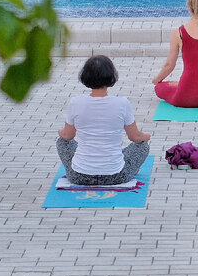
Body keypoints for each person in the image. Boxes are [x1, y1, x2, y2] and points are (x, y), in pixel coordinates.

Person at [57, 55, 151, 186]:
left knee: (62, 142)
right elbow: (135, 137)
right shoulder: (122, 103)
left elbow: (68, 136)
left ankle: (83, 166)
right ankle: (130, 168)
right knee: (142, 146)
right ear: (111, 76)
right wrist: (146, 137)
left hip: (79, 176)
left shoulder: (75, 102)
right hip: (116, 176)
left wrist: (60, 132)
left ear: (85, 76)